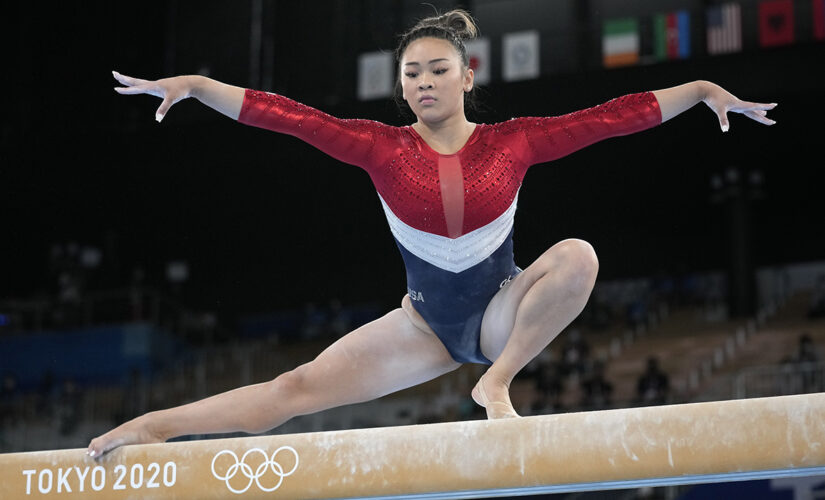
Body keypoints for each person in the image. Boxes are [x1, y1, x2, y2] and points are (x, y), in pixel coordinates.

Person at [88, 9, 776, 457]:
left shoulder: (516, 141)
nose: (422, 81)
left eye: (436, 69)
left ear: (466, 75)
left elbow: (609, 116)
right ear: (400, 85)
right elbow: (286, 116)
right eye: (410, 72)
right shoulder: (376, 145)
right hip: (421, 327)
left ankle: (496, 384)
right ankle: (153, 426)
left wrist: (698, 91)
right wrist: (202, 86)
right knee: (291, 391)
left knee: (577, 258)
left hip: (500, 313)